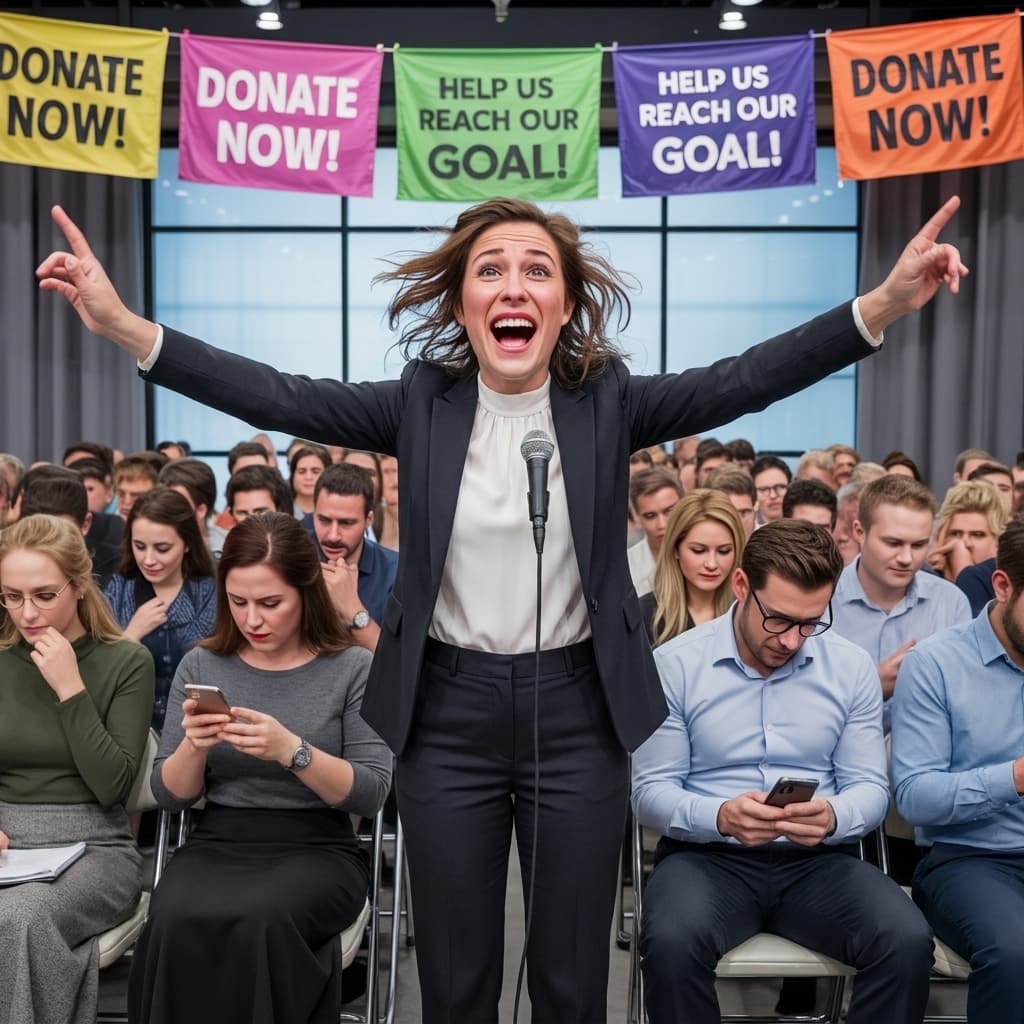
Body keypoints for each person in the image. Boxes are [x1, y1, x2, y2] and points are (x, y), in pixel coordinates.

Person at [39, 194, 966, 1023]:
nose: (512, 285)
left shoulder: (604, 400)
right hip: (447, 711)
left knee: (569, 975)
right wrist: (123, 326)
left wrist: (879, 305)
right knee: (457, 970)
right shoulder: (421, 402)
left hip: (579, 709)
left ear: (563, 305)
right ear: (461, 304)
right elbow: (274, 391)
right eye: (490, 269)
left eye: (536, 269)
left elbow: (744, 377)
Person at [632, 521, 933, 1024]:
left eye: (811, 622)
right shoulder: (676, 664)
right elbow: (648, 792)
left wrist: (833, 815)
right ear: (742, 586)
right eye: (778, 619)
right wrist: (721, 816)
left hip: (818, 861)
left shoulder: (850, 667)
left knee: (906, 941)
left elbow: (870, 788)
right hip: (706, 859)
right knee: (670, 941)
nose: (793, 640)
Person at [126, 513, 392, 1024]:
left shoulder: (352, 667)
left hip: (320, 846)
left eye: (271, 603)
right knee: (170, 915)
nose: (253, 619)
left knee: (263, 918)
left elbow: (370, 794)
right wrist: (194, 749)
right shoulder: (202, 665)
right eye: (238, 602)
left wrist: (293, 751)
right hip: (221, 839)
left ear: (306, 593)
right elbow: (171, 795)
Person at [0, 514, 154, 1024]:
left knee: (19, 915)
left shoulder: (125, 661)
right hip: (7, 841)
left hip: (97, 846)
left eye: (44, 595)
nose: (27, 613)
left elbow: (113, 787)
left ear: (80, 585)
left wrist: (70, 688)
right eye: (11, 596)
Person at [892, 515, 1024, 1022]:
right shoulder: (936, 664)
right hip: (968, 859)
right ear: (1002, 585)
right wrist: (1014, 778)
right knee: (1014, 953)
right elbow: (915, 797)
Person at [832, 474, 970, 731]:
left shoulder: (951, 603)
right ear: (859, 532)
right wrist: (873, 685)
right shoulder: (822, 601)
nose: (906, 558)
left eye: (918, 545)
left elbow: (964, 701)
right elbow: (797, 705)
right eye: (893, 543)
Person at [104, 487, 217, 731]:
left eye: (162, 548)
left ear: (187, 544)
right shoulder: (118, 590)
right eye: (139, 546)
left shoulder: (212, 592)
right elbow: (98, 674)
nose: (148, 559)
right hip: (131, 730)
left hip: (200, 729)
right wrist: (131, 635)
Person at [304, 462, 399, 654]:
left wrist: (354, 611)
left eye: (346, 523)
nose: (332, 535)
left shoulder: (395, 571)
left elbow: (396, 664)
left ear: (368, 520)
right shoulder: (291, 558)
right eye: (323, 520)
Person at [642, 489, 745, 646]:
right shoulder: (642, 615)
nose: (712, 564)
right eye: (698, 550)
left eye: (724, 551)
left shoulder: (749, 612)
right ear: (675, 548)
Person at [928, 479, 1007, 583]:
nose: (965, 544)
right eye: (955, 534)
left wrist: (964, 574)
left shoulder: (1008, 586)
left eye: (977, 535)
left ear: (998, 541)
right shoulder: (926, 579)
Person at [627, 466, 683, 597]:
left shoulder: (707, 554)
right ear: (637, 518)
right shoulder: (626, 568)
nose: (662, 525)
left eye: (669, 511)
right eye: (650, 516)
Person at [289, 444, 330, 518]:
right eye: (302, 471)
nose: (308, 477)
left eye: (315, 471)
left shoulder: (338, 511)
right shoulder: (280, 510)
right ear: (292, 476)